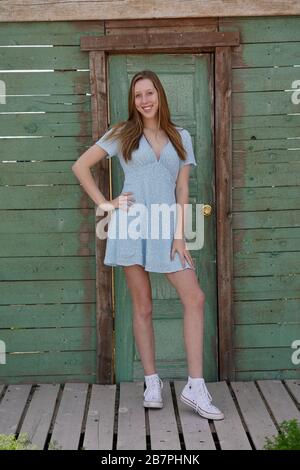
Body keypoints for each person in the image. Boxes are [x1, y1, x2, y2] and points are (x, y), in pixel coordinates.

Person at [72, 70, 224, 421]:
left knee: (195, 297)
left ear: (160, 95)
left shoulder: (180, 135)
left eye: (150, 93)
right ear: (133, 100)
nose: (144, 100)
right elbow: (80, 166)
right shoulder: (122, 132)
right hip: (132, 224)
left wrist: (179, 234)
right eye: (138, 94)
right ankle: (151, 382)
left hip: (166, 226)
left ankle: (195, 386)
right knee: (142, 306)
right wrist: (106, 203)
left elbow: (182, 189)